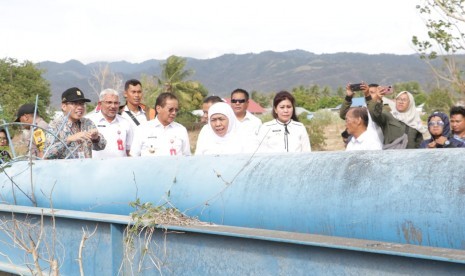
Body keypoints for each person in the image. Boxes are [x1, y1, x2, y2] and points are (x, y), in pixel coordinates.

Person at [44, 87, 106, 159]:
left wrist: (96, 138)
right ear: (64, 106)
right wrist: (68, 140)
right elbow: (47, 154)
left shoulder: (88, 123)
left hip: (87, 168)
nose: (80, 107)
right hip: (65, 169)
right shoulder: (55, 125)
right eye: (74, 104)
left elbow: (102, 146)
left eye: (82, 104)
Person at [87, 89, 133, 158]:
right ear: (100, 104)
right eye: (109, 102)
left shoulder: (125, 123)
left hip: (120, 166)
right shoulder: (89, 121)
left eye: (116, 103)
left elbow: (129, 151)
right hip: (96, 166)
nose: (113, 106)